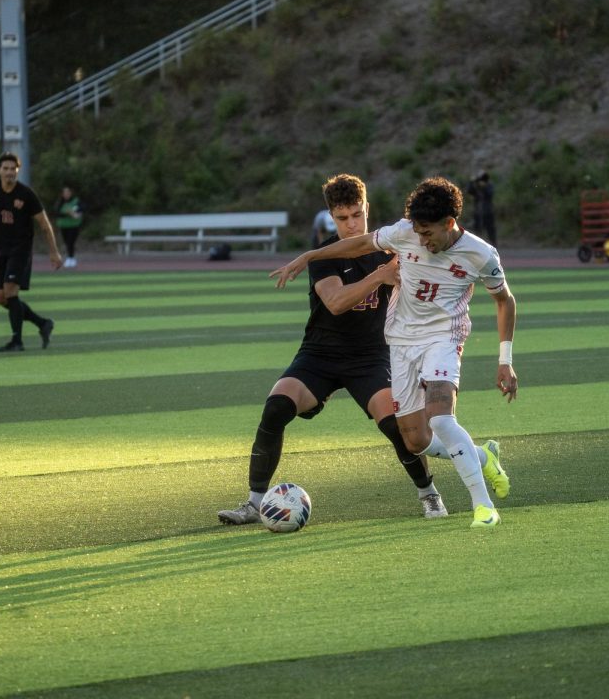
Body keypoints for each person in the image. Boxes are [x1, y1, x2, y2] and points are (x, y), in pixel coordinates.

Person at [272, 176, 517, 530]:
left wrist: (505, 360)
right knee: (415, 440)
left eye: (428, 232)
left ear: (450, 224)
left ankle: (484, 506)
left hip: (443, 337)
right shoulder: (404, 232)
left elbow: (504, 300)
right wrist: (310, 255)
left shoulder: (481, 254)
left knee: (440, 418)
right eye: (416, 231)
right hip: (401, 341)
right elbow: (356, 246)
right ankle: (483, 458)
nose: (421, 239)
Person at [219, 174, 447, 525]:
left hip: (371, 358)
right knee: (276, 406)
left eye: (357, 215)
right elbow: (337, 302)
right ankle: (254, 503)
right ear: (330, 217)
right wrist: (379, 276)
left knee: (396, 425)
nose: (351, 225)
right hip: (319, 355)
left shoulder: (391, 247)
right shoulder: (325, 256)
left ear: (367, 209)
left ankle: (429, 494)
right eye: (342, 219)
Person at [0, 152, 63, 352]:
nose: (9, 172)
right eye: (5, 169)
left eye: (13, 169)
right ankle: (42, 323)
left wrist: (54, 252)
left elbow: (44, 224)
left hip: (20, 250)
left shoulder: (26, 194)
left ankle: (17, 341)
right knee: (1, 298)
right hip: (1, 249)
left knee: (11, 292)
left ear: (17, 171)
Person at [55, 185, 83, 268]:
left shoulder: (76, 201)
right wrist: (68, 213)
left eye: (68, 192)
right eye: (65, 192)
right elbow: (57, 213)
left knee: (71, 241)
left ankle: (71, 258)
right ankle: (70, 257)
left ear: (71, 193)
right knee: (67, 242)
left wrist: (76, 213)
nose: (66, 194)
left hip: (74, 225)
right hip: (64, 225)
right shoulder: (60, 202)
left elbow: (82, 208)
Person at [466, 170, 497, 245]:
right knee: (477, 228)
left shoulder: (489, 185)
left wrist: (484, 187)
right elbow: (469, 191)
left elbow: (489, 194)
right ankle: (478, 243)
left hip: (488, 211)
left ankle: (493, 242)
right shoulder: (476, 186)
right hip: (478, 211)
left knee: (490, 228)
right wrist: (471, 182)